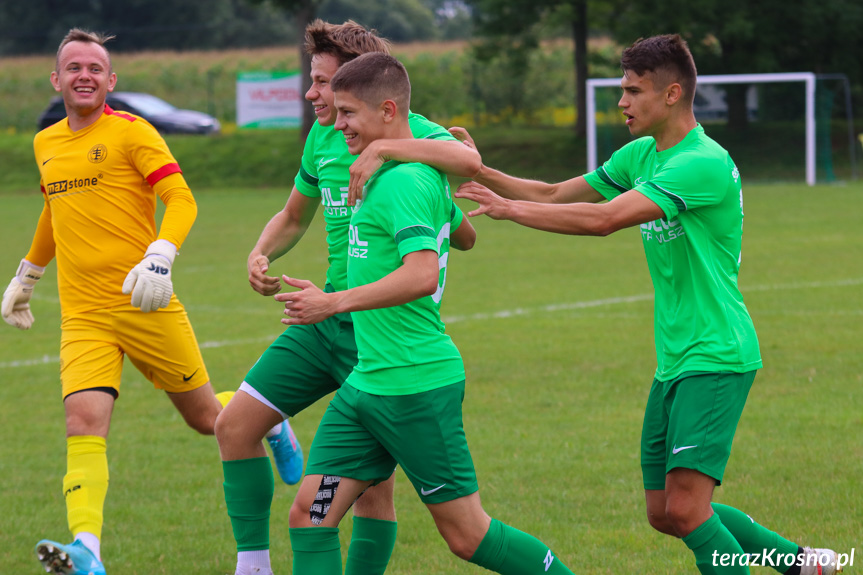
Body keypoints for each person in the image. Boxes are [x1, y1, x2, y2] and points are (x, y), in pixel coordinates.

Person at [453, 34, 841, 575]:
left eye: (634, 91)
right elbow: (555, 193)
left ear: (673, 94)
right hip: (676, 356)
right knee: (665, 512)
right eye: (622, 90)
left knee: (687, 508)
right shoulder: (641, 155)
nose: (622, 102)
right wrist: (479, 172)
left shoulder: (700, 162)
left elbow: (604, 220)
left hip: (716, 351)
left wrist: (508, 211)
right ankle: (800, 563)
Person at [0, 28, 299, 575]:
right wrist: (28, 273)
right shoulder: (45, 143)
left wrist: (160, 255)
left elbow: (179, 198)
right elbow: (55, 211)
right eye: (74, 67)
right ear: (56, 79)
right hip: (84, 314)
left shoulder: (132, 132)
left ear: (110, 80)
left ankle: (271, 421)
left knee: (209, 419)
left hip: (145, 300)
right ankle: (87, 548)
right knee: (82, 422)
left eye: (95, 68)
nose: (84, 75)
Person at [274, 51, 575, 575]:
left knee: (467, 536)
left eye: (348, 113)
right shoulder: (402, 171)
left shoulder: (405, 181)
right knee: (311, 516)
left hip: (415, 386)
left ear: (388, 111)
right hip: (366, 387)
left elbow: (421, 275)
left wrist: (333, 301)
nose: (336, 123)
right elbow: (466, 235)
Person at [212, 20, 481, 575]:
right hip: (324, 315)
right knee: (234, 426)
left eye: (323, 83)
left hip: (377, 331)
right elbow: (293, 214)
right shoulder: (322, 134)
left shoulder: (404, 132)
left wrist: (390, 152)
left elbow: (467, 167)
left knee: (368, 493)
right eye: (315, 85)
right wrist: (260, 254)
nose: (314, 95)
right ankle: (253, 565)